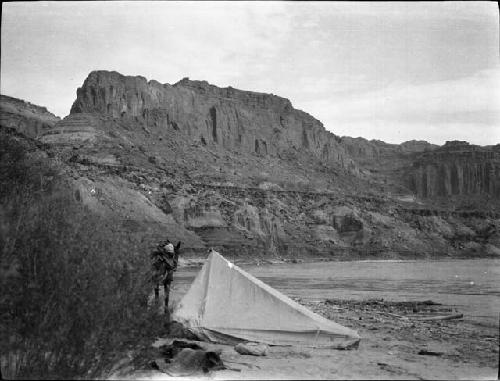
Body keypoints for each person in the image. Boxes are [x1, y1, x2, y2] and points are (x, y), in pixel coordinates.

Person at [151, 239, 182, 315]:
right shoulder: (167, 252)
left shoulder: (167, 251)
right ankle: (164, 308)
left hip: (166, 267)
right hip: (167, 267)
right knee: (163, 288)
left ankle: (162, 307)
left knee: (160, 289)